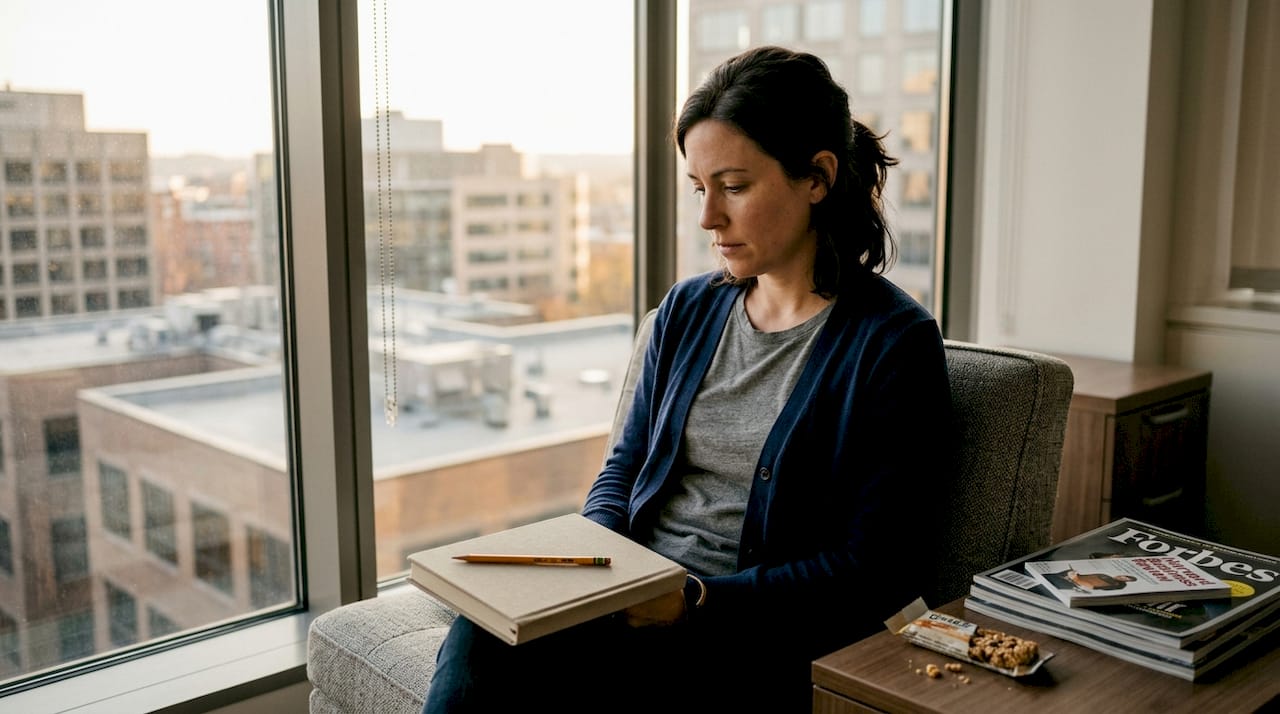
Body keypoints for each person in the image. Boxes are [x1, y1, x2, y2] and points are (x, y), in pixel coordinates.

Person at [423, 45, 953, 714]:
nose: (708, 218)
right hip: (630, 599)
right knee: (480, 636)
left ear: (816, 177)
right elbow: (626, 465)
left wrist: (694, 600)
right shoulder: (687, 309)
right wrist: (595, 561)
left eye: (733, 187)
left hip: (747, 634)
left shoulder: (891, 343)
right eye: (700, 189)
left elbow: (872, 571)